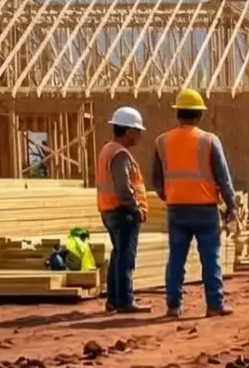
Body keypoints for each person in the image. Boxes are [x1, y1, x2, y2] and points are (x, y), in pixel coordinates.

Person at [146, 86, 237, 318]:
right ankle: (214, 305)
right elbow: (223, 178)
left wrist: (169, 195)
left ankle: (173, 306)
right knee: (210, 258)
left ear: (178, 113)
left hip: (176, 209)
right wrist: (231, 205)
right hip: (205, 209)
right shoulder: (209, 140)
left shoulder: (161, 141)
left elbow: (156, 179)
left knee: (176, 258)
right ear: (199, 115)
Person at [92, 106, 150, 314]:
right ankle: (125, 300)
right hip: (122, 211)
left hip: (109, 210)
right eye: (137, 131)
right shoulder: (120, 154)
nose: (140, 136)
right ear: (128, 131)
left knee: (118, 255)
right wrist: (135, 208)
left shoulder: (107, 150)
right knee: (126, 257)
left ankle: (114, 300)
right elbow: (123, 187)